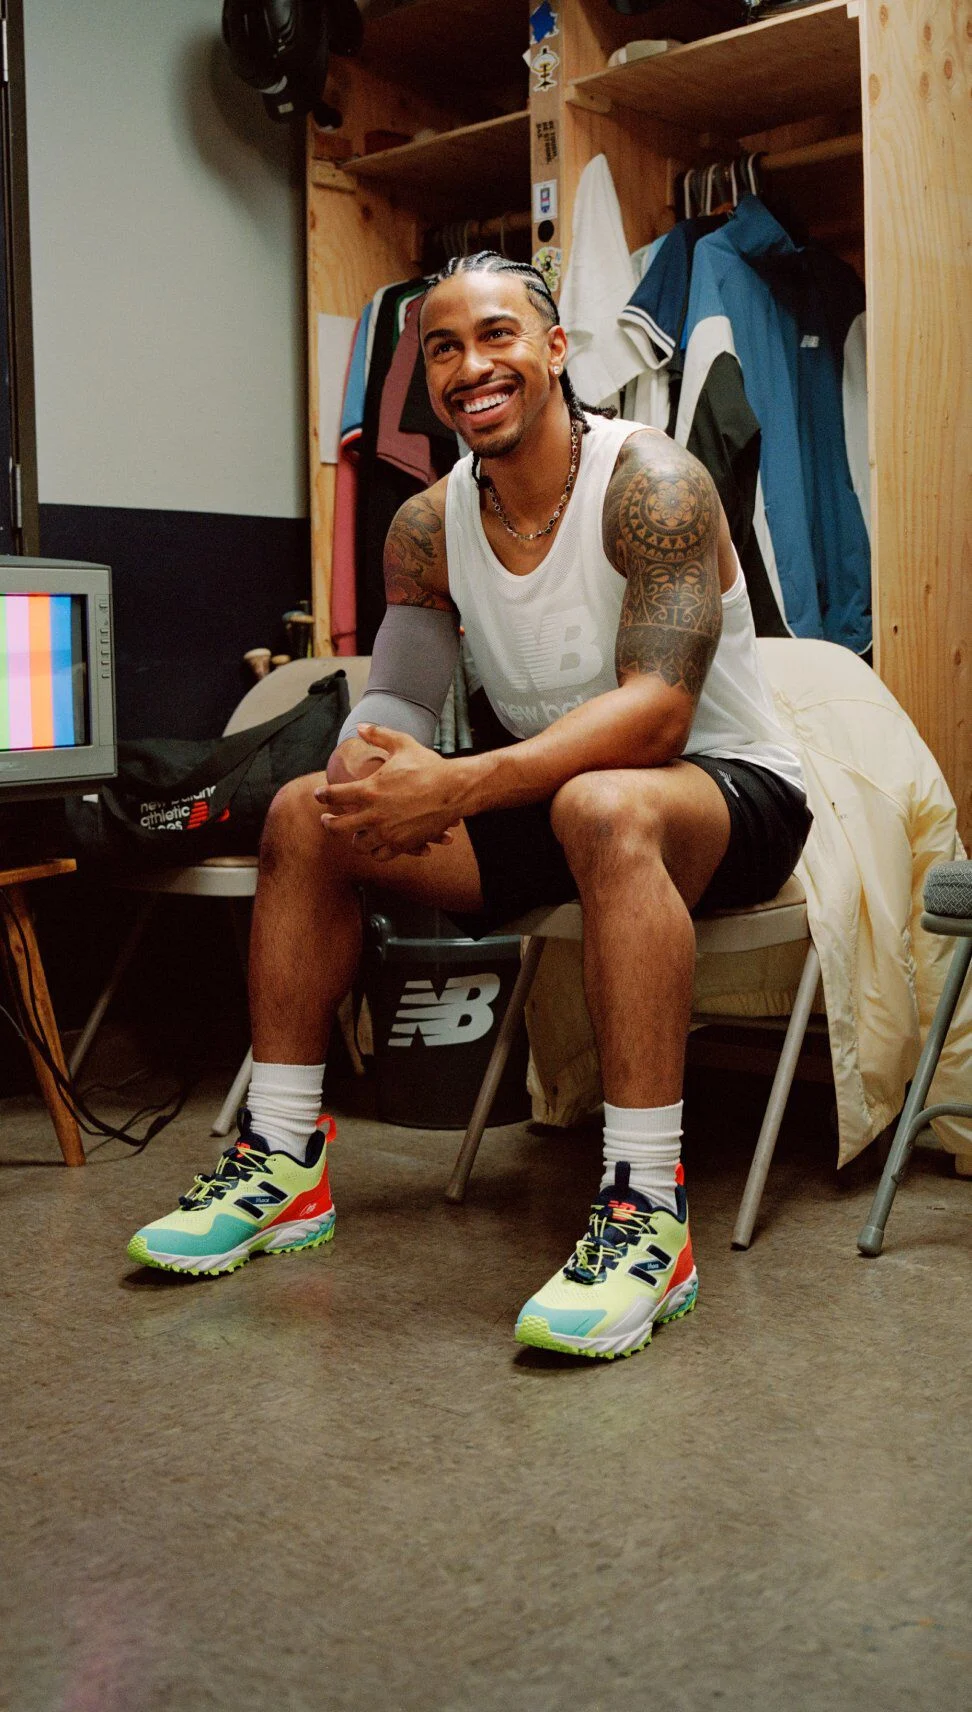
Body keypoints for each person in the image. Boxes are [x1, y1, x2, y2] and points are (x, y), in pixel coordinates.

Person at [128, 253, 810, 1361]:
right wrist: (366, 772)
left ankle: (646, 1210)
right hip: (553, 797)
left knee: (604, 805)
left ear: (555, 349)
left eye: (496, 335)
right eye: (442, 347)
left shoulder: (653, 483)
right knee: (307, 814)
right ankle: (283, 1159)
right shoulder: (424, 524)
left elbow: (657, 717)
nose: (469, 366)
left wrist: (456, 783)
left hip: (723, 793)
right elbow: (398, 697)